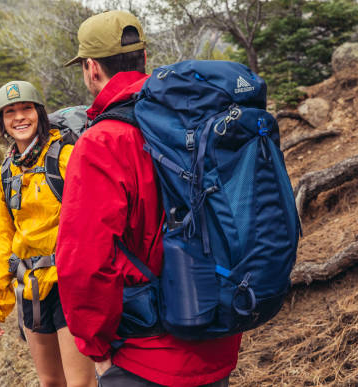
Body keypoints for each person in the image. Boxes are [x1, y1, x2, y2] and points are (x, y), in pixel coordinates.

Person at [56, 11, 242, 387]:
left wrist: (96, 348)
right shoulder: (200, 118)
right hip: (217, 336)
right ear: (144, 58)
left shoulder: (102, 141)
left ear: (92, 69)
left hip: (144, 357)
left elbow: (85, 263)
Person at [0, 80, 96, 387]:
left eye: (26, 108)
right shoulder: (7, 172)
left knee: (81, 383)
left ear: (39, 113)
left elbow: (96, 218)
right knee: (49, 382)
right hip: (31, 289)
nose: (19, 117)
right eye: (10, 112)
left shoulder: (66, 157)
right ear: (2, 122)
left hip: (70, 285)